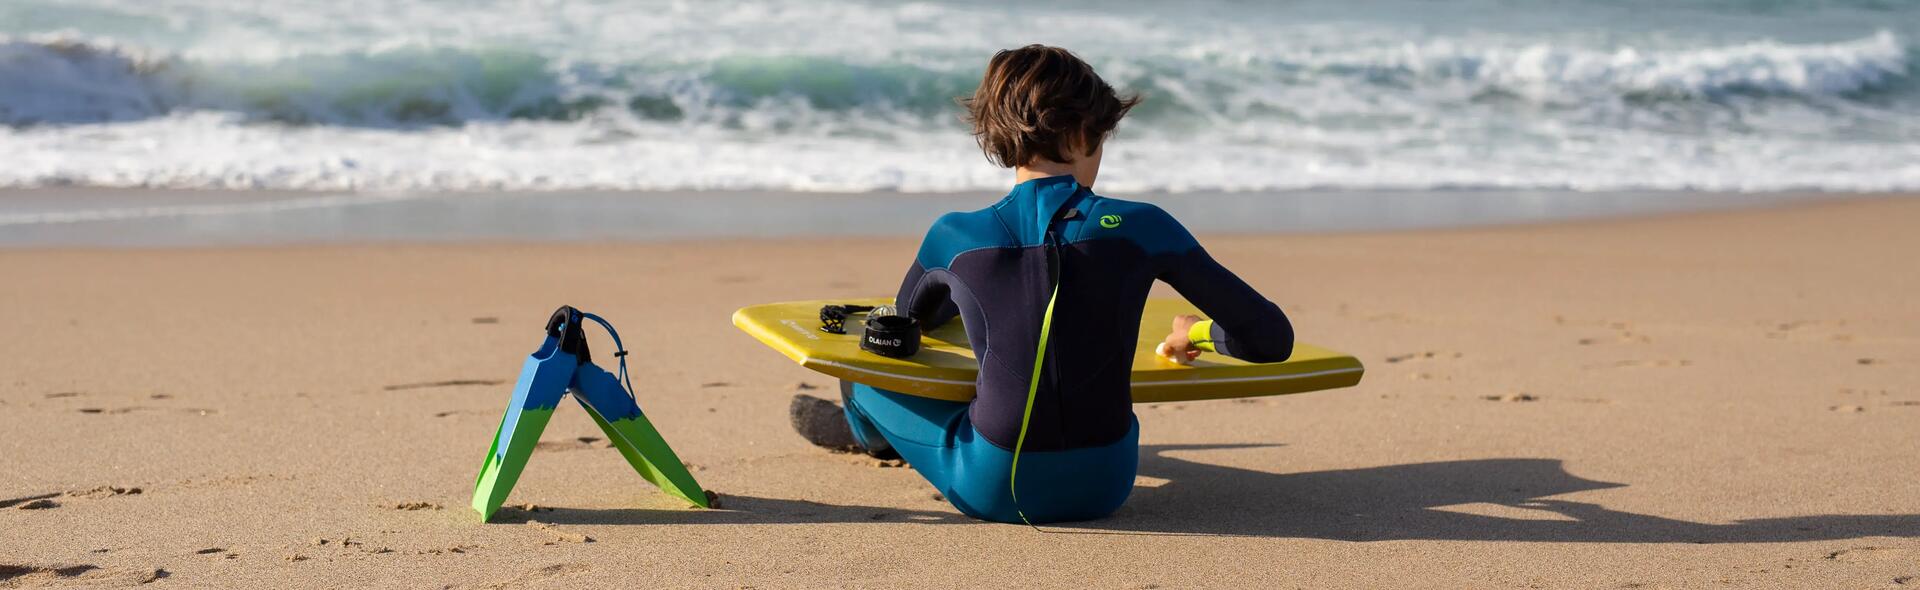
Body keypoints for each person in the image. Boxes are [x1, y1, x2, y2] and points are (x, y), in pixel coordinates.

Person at [790, 45, 1295, 524]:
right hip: (1107, 484)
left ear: (996, 137)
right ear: (1081, 134)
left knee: (863, 373)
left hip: (995, 488)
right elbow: (1270, 340)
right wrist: (1197, 335)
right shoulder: (1146, 226)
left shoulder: (955, 236)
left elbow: (904, 332)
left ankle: (871, 437)